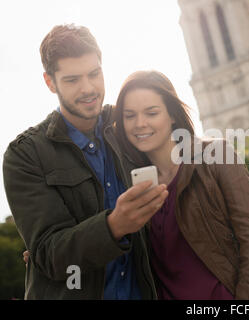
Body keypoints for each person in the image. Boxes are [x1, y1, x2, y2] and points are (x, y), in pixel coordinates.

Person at [3, 25, 167, 299]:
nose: (88, 88)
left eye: (94, 74)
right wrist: (115, 225)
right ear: (50, 82)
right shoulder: (24, 154)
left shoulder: (129, 124)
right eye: (72, 80)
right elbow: (49, 254)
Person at [112, 70, 249, 299]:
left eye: (151, 112)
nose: (140, 124)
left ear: (173, 115)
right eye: (129, 116)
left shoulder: (216, 154)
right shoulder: (130, 185)